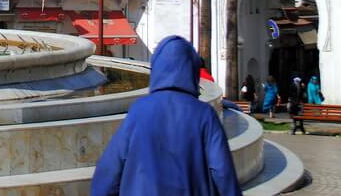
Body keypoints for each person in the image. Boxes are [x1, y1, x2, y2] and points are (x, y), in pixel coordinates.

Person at [90, 35, 241, 196]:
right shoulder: (204, 115)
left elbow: (109, 170)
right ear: (192, 69)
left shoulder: (138, 111)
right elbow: (222, 171)